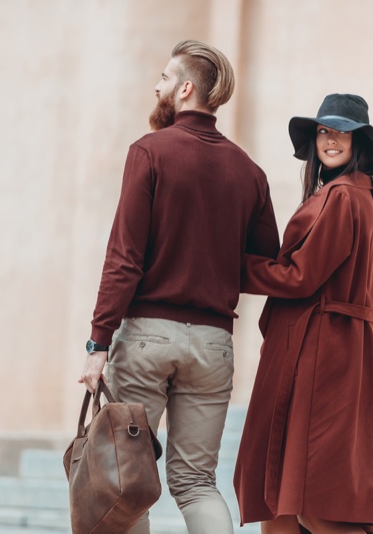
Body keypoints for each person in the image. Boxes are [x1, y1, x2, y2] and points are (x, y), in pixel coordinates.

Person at [77, 39, 279, 534]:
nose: (157, 85)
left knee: (128, 480)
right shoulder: (249, 172)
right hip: (213, 344)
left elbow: (125, 257)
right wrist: (211, 259)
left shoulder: (149, 152)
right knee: (196, 482)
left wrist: (97, 343)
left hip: (147, 336)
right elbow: (266, 261)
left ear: (186, 89)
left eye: (165, 78)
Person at [233, 93, 373, 534]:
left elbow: (301, 277)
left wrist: (235, 266)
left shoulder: (342, 197)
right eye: (324, 131)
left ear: (358, 142)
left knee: (308, 495)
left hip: (320, 348)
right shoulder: (356, 196)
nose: (331, 140)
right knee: (284, 496)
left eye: (341, 132)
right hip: (330, 343)